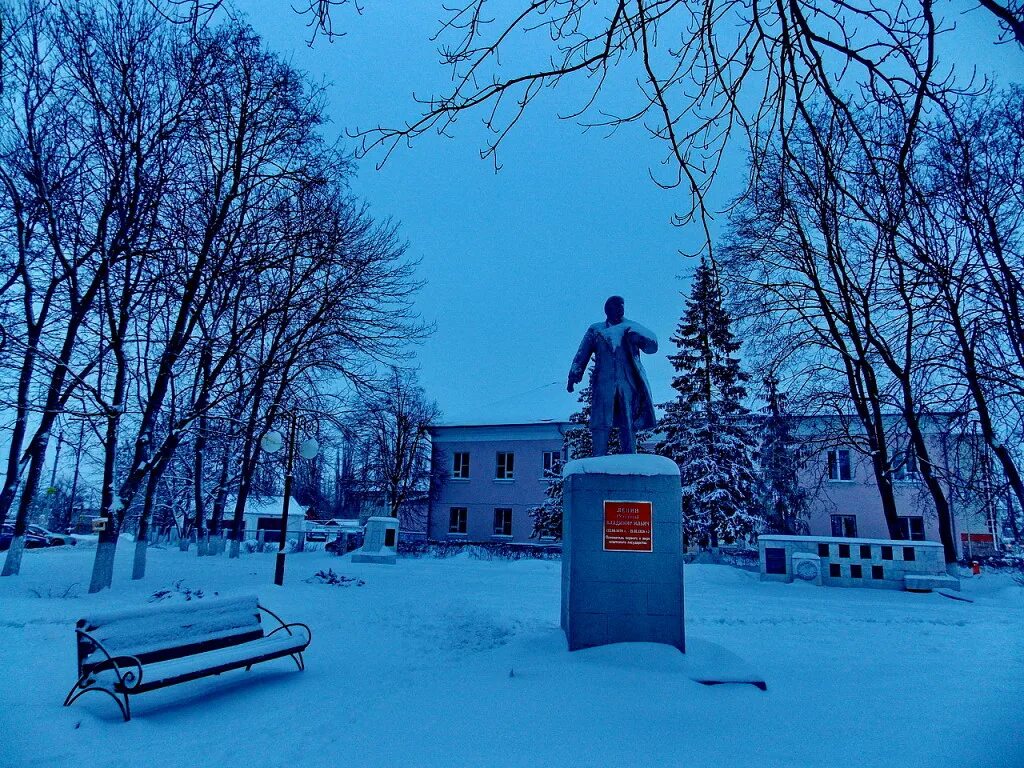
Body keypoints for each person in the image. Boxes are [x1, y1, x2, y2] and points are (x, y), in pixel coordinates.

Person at [567, 295, 658, 456]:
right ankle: (598, 458)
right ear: (607, 310)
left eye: (622, 306)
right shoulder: (596, 330)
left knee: (628, 422)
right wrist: (574, 375)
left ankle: (630, 457)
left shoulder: (630, 327)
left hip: (628, 383)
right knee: (601, 422)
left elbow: (653, 346)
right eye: (617, 306)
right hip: (604, 383)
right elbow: (582, 354)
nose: (620, 309)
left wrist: (640, 337)